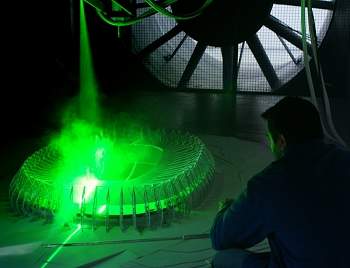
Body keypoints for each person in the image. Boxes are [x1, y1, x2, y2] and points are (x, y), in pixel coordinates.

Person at [210, 96, 350, 268]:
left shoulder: (269, 184)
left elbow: (221, 238)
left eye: (270, 139)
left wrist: (226, 210)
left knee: (222, 259)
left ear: (282, 141)